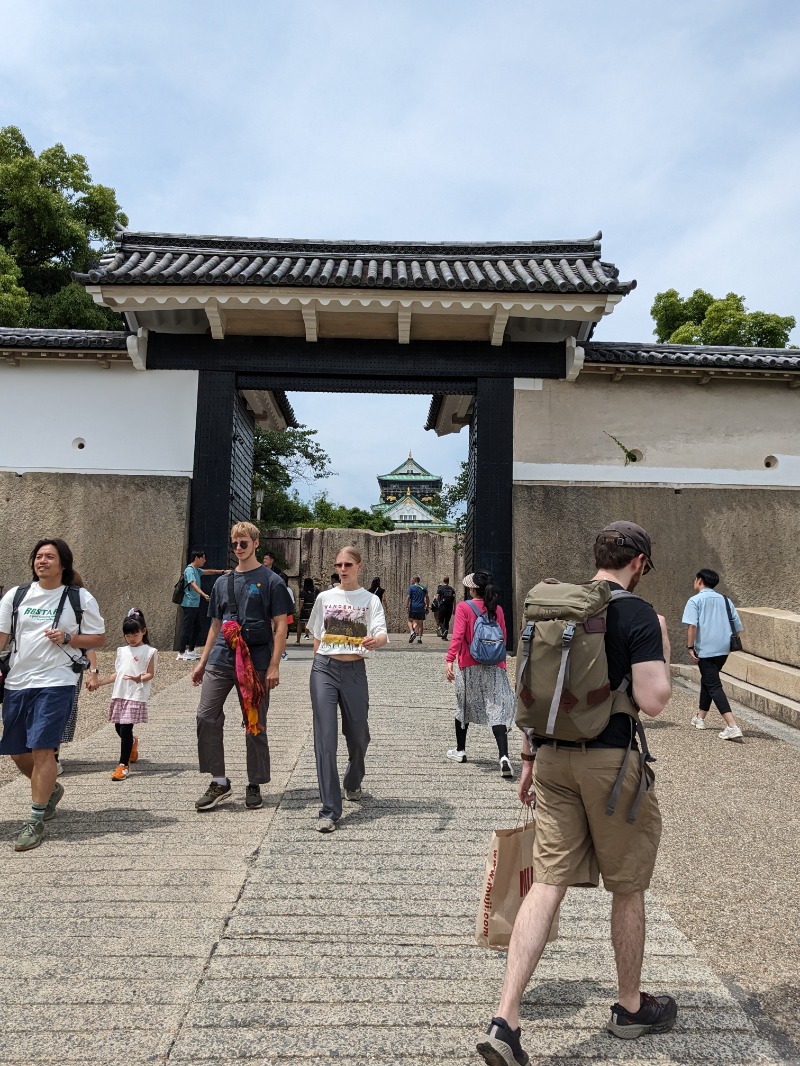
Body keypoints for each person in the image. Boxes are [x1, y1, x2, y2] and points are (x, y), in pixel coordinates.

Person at [477, 521, 675, 1066]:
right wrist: (657, 640)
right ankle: (631, 1006)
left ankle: (506, 1018)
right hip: (611, 767)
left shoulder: (554, 608)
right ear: (637, 561)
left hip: (551, 760)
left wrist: (527, 758)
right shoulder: (633, 612)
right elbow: (654, 700)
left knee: (547, 883)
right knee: (628, 885)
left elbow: (533, 688)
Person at [0, 538, 105, 852]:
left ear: (63, 564)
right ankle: (50, 789)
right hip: (17, 681)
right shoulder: (15, 595)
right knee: (19, 751)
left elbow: (98, 638)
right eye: (38, 556)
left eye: (49, 556)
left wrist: (69, 637)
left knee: (43, 748)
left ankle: (35, 820)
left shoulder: (79, 597)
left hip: (56, 681)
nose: (41, 561)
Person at [191, 522, 292, 812]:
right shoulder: (223, 582)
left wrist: (274, 666)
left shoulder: (272, 581)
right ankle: (219, 780)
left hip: (256, 663)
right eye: (234, 543)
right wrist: (202, 662)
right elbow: (214, 626)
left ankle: (255, 782)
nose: (238, 548)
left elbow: (281, 626)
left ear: (256, 543)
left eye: (243, 543)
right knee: (206, 715)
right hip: (222, 659)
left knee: (254, 723)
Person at [307, 546, 388, 833]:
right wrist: (318, 665)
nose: (343, 569)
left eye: (348, 564)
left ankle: (353, 780)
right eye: (339, 564)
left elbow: (381, 632)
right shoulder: (324, 598)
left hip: (354, 671)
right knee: (325, 738)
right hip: (324, 669)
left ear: (359, 566)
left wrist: (375, 642)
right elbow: (317, 635)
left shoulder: (370, 600)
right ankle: (329, 809)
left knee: (359, 735)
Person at [444, 572, 515, 777]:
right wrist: (502, 665)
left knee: (463, 705)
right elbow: (503, 636)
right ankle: (503, 756)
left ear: (473, 589)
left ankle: (460, 750)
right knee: (497, 710)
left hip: (468, 665)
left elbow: (458, 636)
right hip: (494, 666)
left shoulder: (464, 607)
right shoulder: (497, 609)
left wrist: (449, 659)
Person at [87, 608, 157, 780]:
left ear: (143, 631)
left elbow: (150, 673)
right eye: (128, 635)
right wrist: (100, 682)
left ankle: (123, 765)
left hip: (136, 693)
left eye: (135, 634)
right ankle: (132, 743)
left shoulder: (149, 651)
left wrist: (138, 678)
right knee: (118, 726)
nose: (131, 638)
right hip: (120, 693)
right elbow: (117, 673)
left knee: (125, 728)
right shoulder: (122, 650)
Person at [682, 568, 744, 740]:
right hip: (723, 650)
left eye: (696, 579)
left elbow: (692, 626)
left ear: (700, 580)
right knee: (708, 680)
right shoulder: (725, 600)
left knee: (714, 685)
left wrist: (690, 647)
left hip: (705, 650)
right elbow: (738, 627)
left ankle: (732, 725)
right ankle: (700, 718)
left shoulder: (695, 601)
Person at [178, 549, 227, 662]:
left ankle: (190, 650)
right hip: (189, 603)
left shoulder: (196, 570)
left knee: (197, 627)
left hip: (194, 604)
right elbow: (193, 585)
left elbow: (209, 572)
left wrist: (223, 572)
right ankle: (181, 652)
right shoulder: (189, 570)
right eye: (203, 558)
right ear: (196, 558)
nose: (205, 560)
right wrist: (204, 594)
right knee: (187, 627)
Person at [405, 575, 429, 643]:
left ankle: (412, 632)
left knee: (410, 620)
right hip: (421, 607)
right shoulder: (424, 588)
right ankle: (420, 639)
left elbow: (408, 597)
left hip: (413, 607)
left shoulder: (411, 587)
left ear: (415, 580)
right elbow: (427, 597)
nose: (411, 581)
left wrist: (407, 606)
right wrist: (427, 607)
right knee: (420, 623)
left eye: (412, 579)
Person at [296, 578, 318, 643]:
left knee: (300, 625)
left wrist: (299, 610)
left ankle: (298, 641)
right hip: (312, 610)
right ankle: (316, 641)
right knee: (314, 626)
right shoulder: (315, 592)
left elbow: (301, 602)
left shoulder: (303, 592)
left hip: (304, 610)